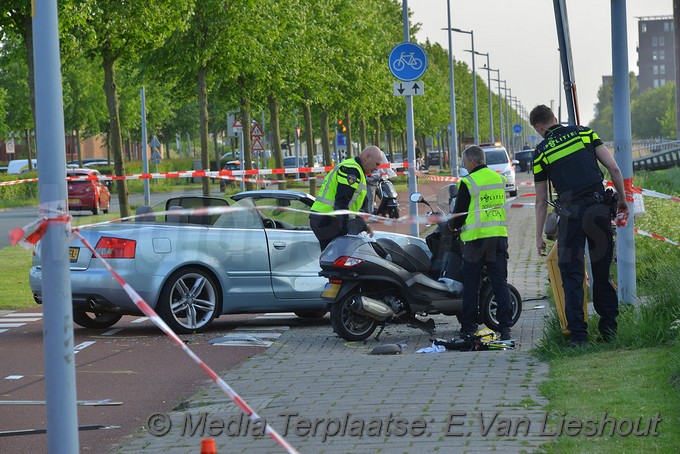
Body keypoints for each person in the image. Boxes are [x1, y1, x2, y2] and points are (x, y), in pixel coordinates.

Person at [529, 104, 629, 346]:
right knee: (602, 273)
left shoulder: (541, 152)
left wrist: (539, 236)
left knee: (572, 276)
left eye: (537, 130)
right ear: (554, 118)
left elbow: (541, 201)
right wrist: (623, 200)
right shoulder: (585, 133)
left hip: (571, 216)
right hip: (597, 211)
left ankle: (578, 337)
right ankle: (608, 332)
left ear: (540, 127)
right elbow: (613, 167)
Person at [447, 145, 513, 341]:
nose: (464, 166)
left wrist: (453, 227)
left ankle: (469, 327)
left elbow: (460, 213)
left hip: (475, 242)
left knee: (471, 286)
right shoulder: (499, 179)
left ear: (473, 161)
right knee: (500, 284)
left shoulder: (468, 182)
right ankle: (506, 328)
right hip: (498, 238)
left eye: (465, 162)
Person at [310, 145, 383, 250]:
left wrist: (362, 225)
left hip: (326, 218)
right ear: (367, 156)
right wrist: (346, 231)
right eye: (376, 164)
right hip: (327, 219)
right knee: (340, 257)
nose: (377, 168)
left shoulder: (357, 170)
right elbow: (342, 202)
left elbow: (356, 205)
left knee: (336, 258)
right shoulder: (351, 170)